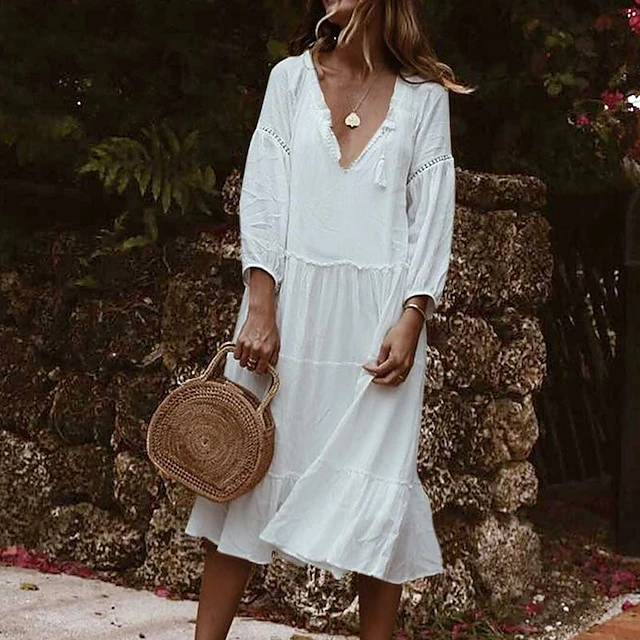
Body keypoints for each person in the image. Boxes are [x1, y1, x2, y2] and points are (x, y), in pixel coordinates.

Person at [185, 1, 471, 638]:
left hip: (379, 328)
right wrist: (261, 307)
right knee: (243, 477)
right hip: (287, 317)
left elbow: (432, 215)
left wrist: (414, 316)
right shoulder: (290, 80)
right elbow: (264, 194)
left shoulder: (424, 97)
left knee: (378, 497)